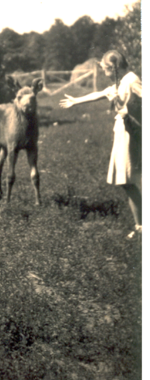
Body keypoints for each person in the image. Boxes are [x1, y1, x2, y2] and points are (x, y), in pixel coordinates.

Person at [60, 50, 142, 239]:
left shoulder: (131, 80)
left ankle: (141, 227)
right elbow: (101, 93)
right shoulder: (120, 82)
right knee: (126, 181)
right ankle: (141, 227)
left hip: (132, 134)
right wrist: (76, 100)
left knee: (129, 180)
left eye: (105, 68)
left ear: (113, 67)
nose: (103, 71)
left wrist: (128, 111)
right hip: (123, 133)